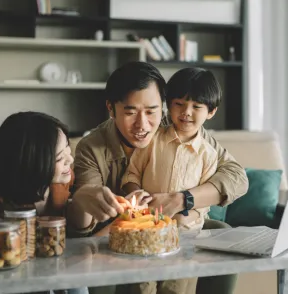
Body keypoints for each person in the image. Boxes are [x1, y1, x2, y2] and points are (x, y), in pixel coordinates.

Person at [67, 61, 249, 294]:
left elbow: (236, 176)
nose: (142, 125)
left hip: (179, 222)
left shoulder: (179, 123)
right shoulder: (92, 147)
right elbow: (86, 218)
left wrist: (184, 199)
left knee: (222, 232)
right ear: (111, 109)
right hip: (119, 230)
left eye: (152, 111)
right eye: (130, 112)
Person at [119, 67, 222, 294]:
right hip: (146, 231)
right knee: (141, 286)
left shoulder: (209, 154)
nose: (186, 112)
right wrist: (135, 192)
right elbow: (132, 173)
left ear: (211, 111)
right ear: (168, 105)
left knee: (177, 288)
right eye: (179, 104)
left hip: (185, 237)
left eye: (196, 107)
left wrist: (185, 217)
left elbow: (204, 204)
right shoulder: (152, 140)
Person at [0, 111, 89, 294]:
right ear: (32, 164)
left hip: (58, 260)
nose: (71, 159)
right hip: (15, 269)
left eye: (68, 149)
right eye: (60, 157)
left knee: (77, 280)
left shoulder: (65, 181)